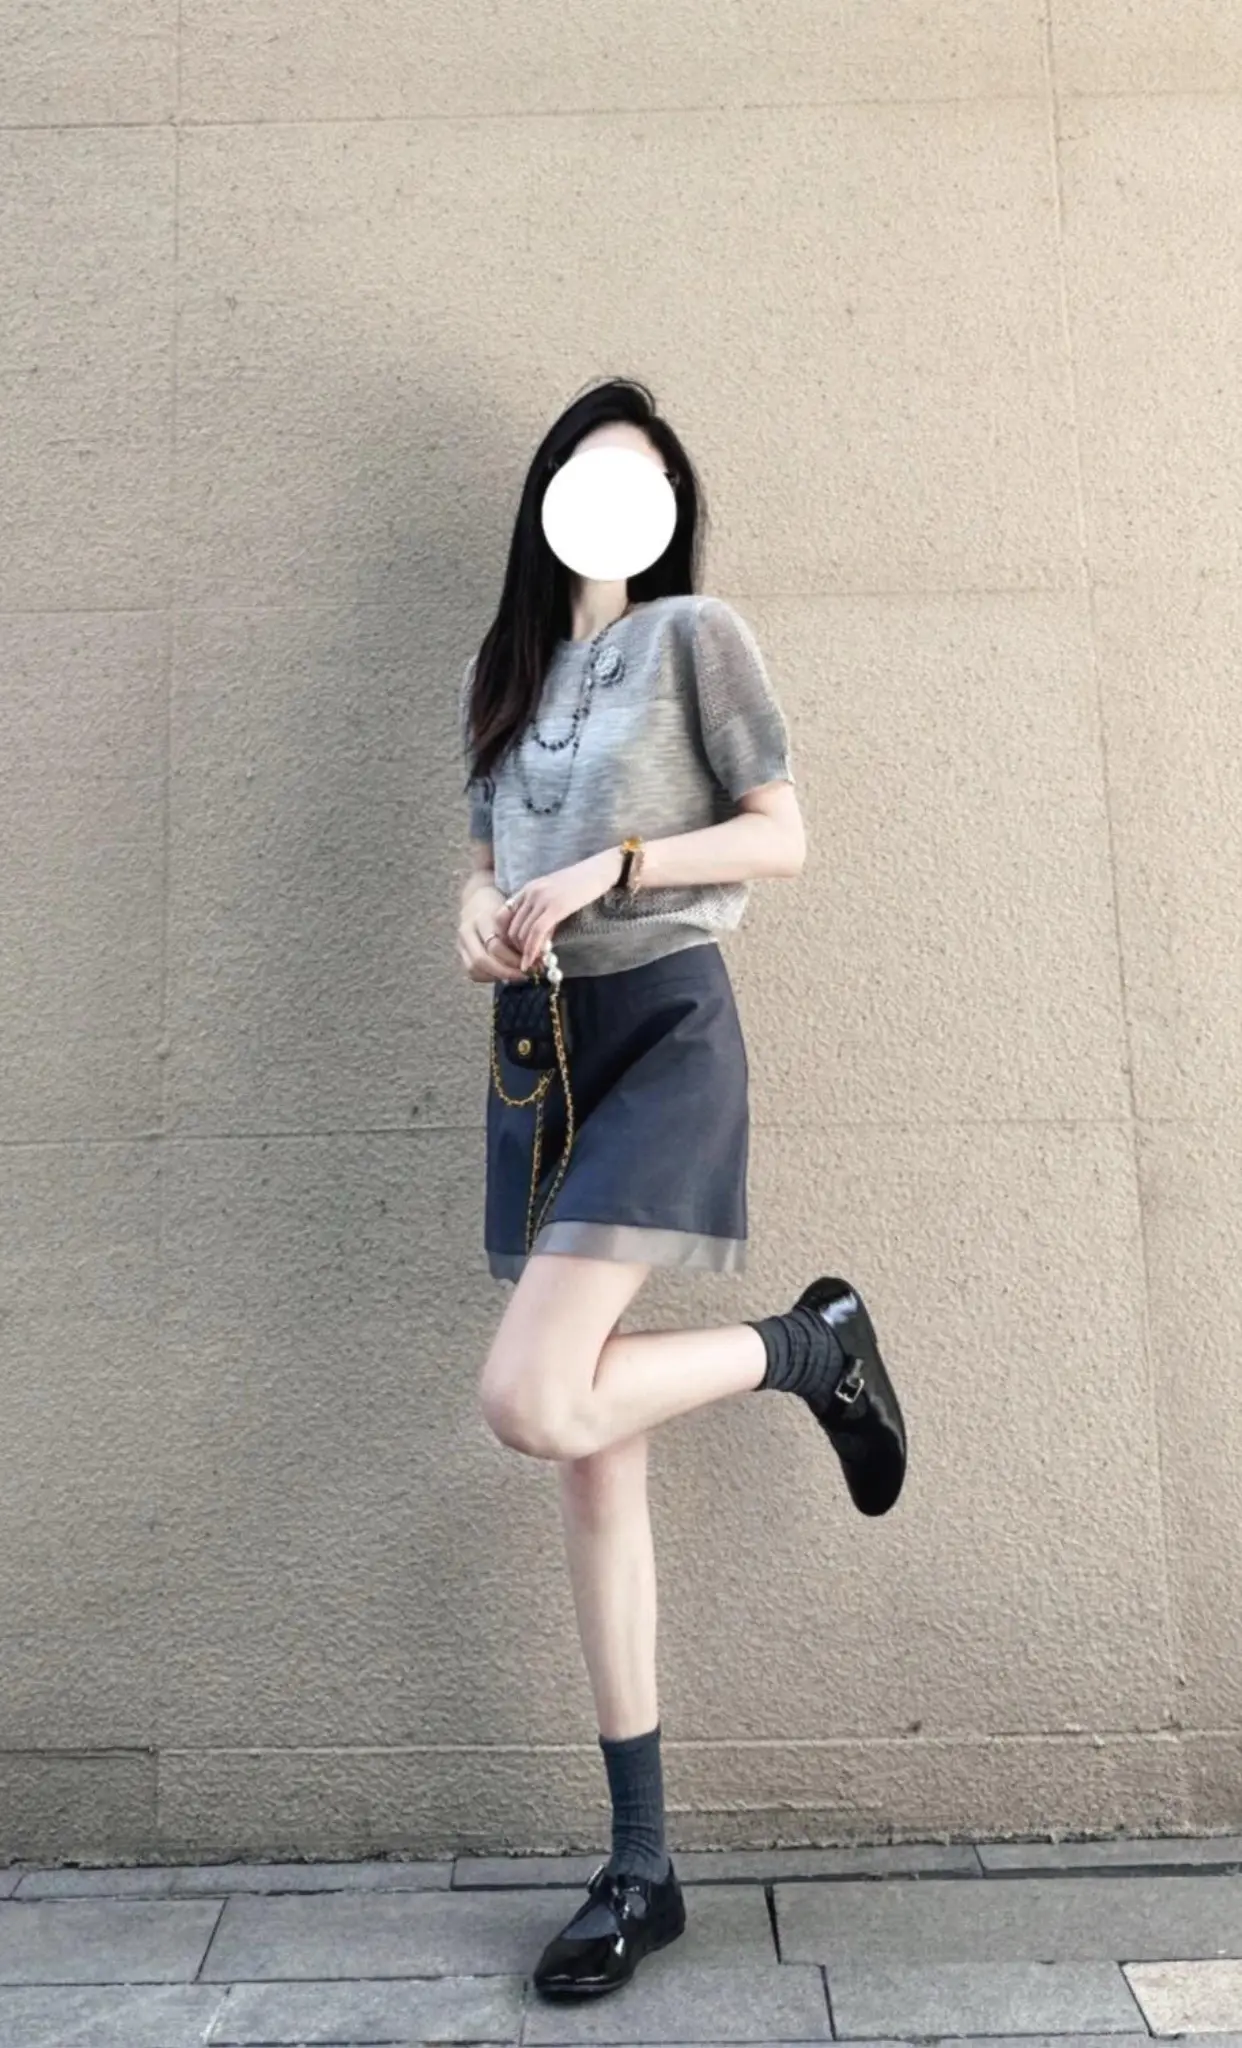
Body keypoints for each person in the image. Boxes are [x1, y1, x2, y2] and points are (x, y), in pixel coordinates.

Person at [455, 377, 907, 2000]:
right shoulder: (505, 673)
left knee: (530, 1398)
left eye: (639, 471)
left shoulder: (695, 637)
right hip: (542, 1057)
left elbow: (780, 837)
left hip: (663, 1032)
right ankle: (639, 1872)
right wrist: (474, 913)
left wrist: (622, 863)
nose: (612, 492)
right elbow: (486, 862)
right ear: (548, 492)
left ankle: (807, 1349)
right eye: (590, 466)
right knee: (590, 1455)